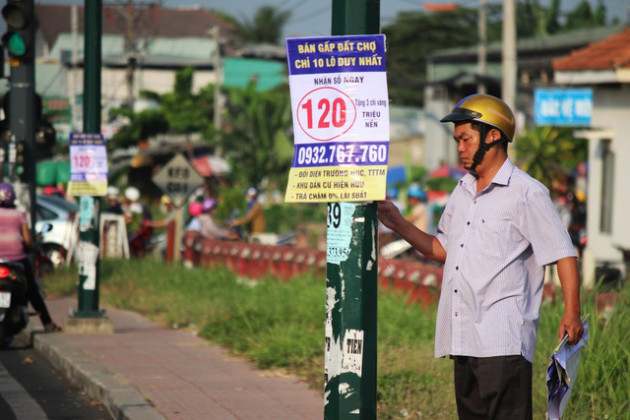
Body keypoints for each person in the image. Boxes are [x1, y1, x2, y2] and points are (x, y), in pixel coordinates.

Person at [378, 94, 583, 419]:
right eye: (457, 140)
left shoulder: (526, 192)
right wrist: (398, 223)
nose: (459, 147)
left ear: (493, 136)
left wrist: (572, 310)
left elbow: (563, 253)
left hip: (502, 339)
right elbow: (443, 249)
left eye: (465, 139)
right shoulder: (461, 191)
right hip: (464, 336)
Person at [0, 183, 62, 332]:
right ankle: (47, 323)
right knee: (32, 290)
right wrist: (31, 246)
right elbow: (27, 241)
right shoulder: (19, 214)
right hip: (16, 259)